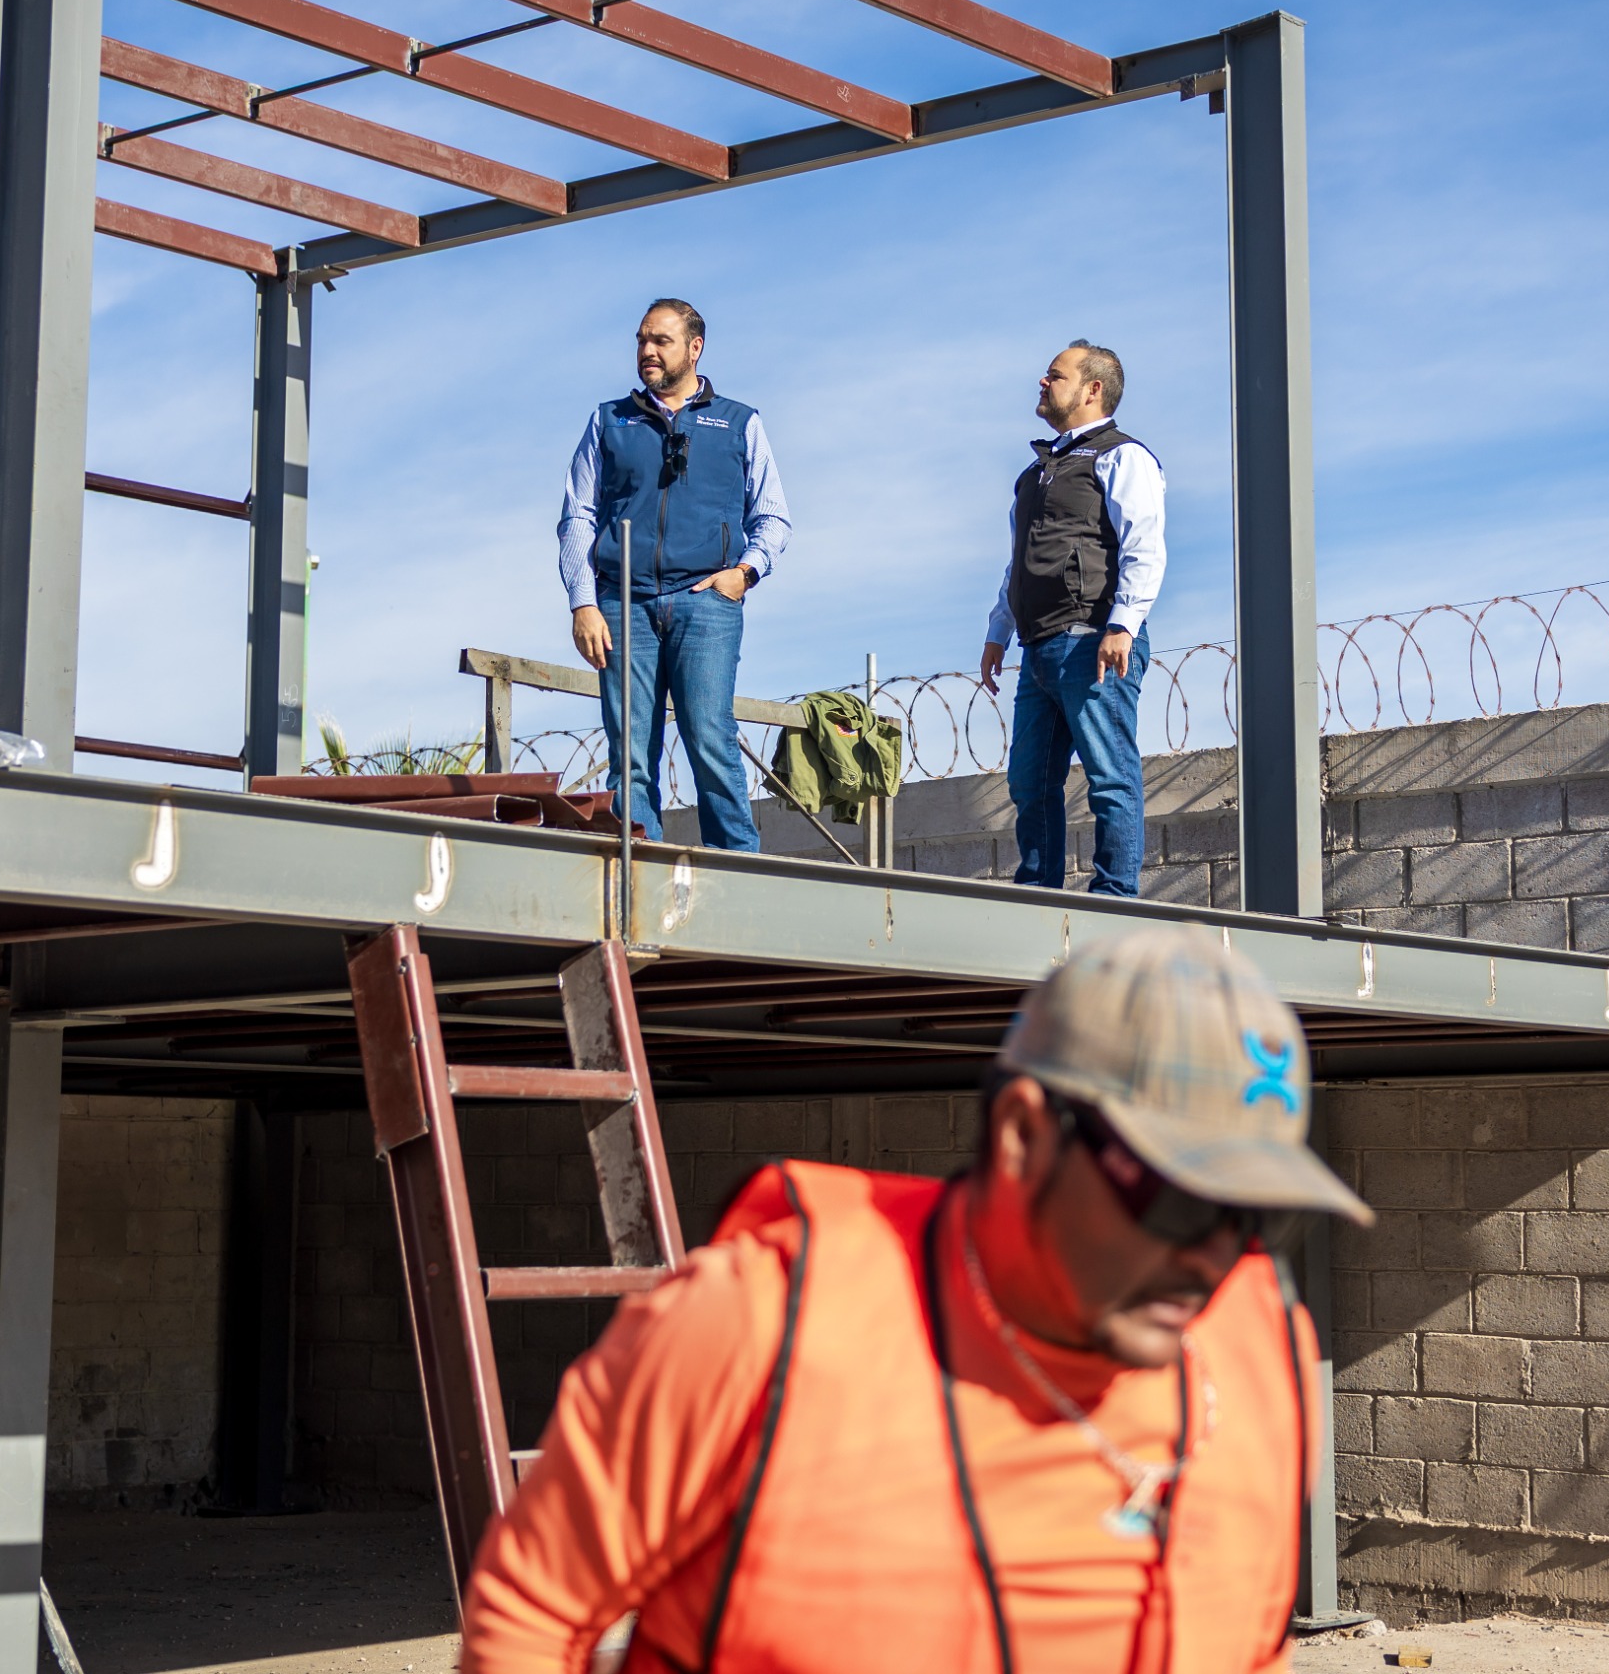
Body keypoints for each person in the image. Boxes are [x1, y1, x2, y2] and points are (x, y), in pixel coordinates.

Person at [461, 926, 1371, 1673]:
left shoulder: (1265, 1351)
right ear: (1022, 1133)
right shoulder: (758, 1321)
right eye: (1176, 1196)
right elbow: (531, 1621)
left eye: (1254, 1212)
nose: (1215, 1255)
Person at [557, 299, 790, 851]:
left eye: (660, 341)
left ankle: (738, 873)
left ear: (694, 348)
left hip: (706, 601)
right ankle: (638, 874)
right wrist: (583, 601)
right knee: (630, 756)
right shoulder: (609, 420)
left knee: (711, 742)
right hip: (622, 607)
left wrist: (745, 574)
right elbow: (577, 515)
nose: (647, 352)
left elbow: (773, 517)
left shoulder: (738, 421)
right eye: (641, 340)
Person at [979, 340, 1165, 897]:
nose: (1042, 382)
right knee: (1029, 782)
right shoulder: (1034, 474)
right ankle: (1039, 889)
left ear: (1092, 389)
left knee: (1108, 776)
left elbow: (1144, 548)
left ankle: (1115, 894)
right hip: (1037, 649)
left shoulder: (1122, 456)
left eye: (1054, 375)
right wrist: (998, 632)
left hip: (1092, 639)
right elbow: (1021, 561)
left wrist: (1122, 625)